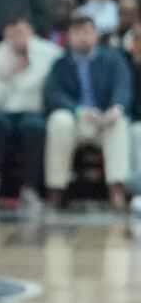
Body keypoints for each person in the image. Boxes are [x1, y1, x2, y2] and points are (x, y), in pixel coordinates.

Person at [43, 14, 130, 211]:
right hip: (77, 120)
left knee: (119, 122)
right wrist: (79, 110)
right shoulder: (60, 64)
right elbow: (53, 95)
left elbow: (123, 88)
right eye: (78, 32)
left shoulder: (113, 60)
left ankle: (117, 186)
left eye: (88, 32)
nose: (84, 37)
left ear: (96, 35)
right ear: (70, 36)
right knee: (58, 120)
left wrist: (116, 108)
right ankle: (57, 188)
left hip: (104, 121)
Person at [0, 16, 59, 214]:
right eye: (14, 33)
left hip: (33, 112)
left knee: (35, 129)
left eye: (23, 32)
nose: (19, 38)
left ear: (31, 33)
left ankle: (30, 188)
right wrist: (9, 76)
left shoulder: (49, 53)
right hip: (4, 111)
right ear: (6, 34)